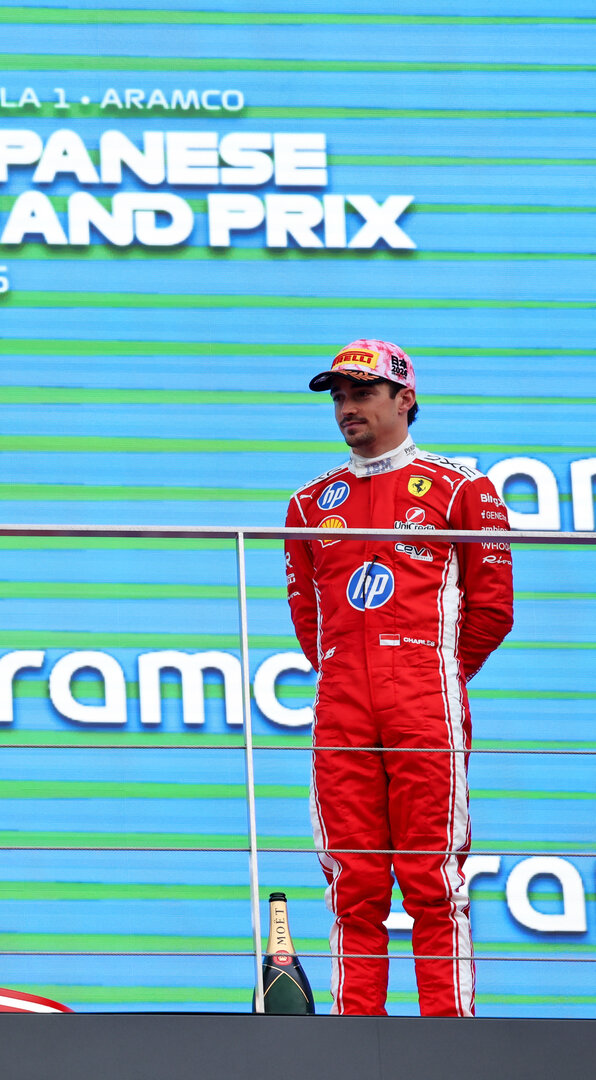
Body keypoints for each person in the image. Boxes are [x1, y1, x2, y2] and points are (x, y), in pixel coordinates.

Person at [284, 339, 513, 1017]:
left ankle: (448, 1030)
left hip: (423, 696)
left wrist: (429, 668)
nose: (346, 408)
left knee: (433, 877)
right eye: (338, 397)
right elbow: (309, 619)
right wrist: (356, 670)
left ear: (404, 398)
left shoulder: (461, 488)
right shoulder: (307, 503)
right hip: (341, 702)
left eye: (361, 393)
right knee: (352, 879)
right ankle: (357, 1029)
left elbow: (492, 610)